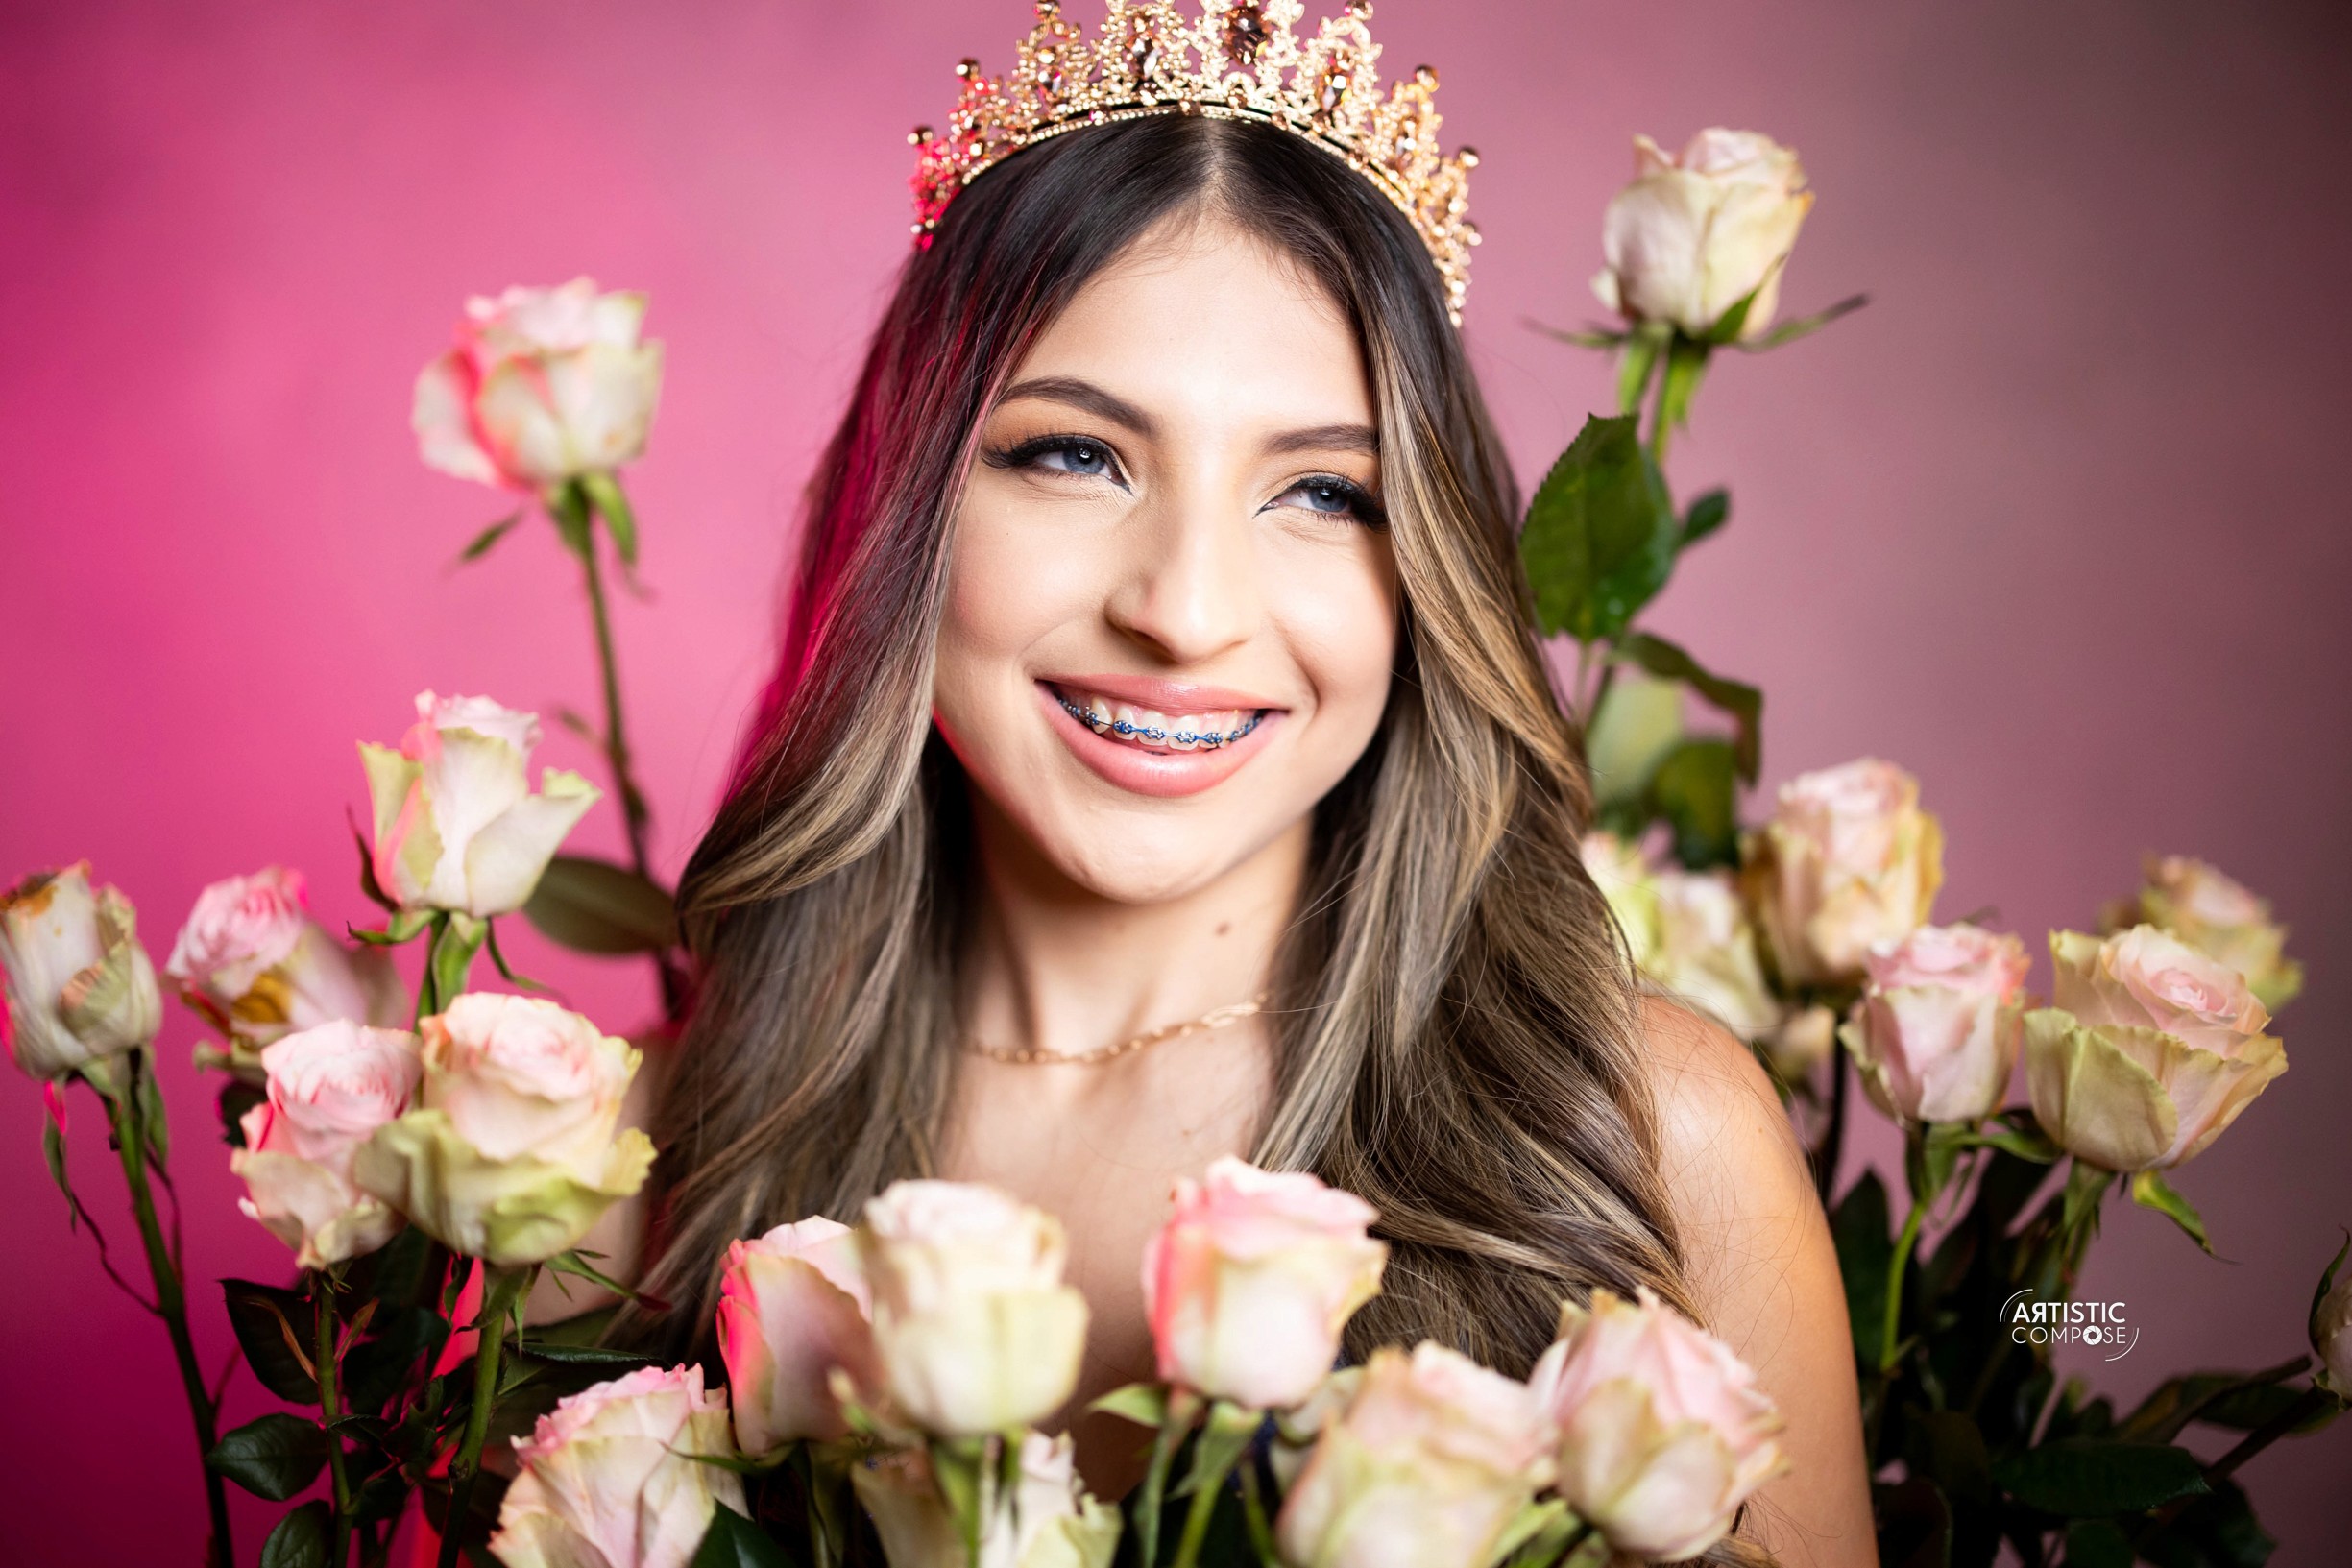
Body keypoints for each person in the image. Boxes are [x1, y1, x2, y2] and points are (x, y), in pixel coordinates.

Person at [603, 13, 1874, 1563]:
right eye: (1075, 456)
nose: (1187, 610)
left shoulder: (1644, 1141)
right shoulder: (631, 1165)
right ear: (909, 497)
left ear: (1427, 572)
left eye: (1324, 490)